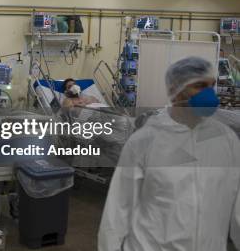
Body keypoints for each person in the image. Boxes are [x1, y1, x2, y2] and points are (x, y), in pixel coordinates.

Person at [98, 57, 240, 251]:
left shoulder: (226, 140)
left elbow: (237, 210)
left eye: (211, 86)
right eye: (199, 86)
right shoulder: (145, 142)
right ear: (176, 90)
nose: (209, 93)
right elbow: (117, 211)